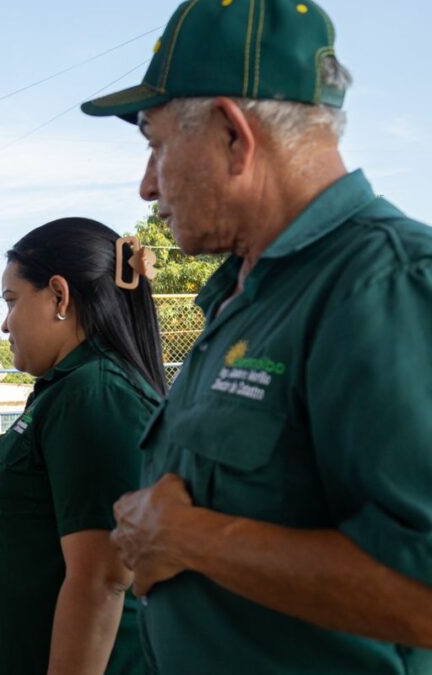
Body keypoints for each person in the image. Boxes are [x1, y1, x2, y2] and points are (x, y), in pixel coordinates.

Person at [81, 1, 432, 672]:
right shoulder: (250, 293)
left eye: (154, 145)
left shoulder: (386, 284)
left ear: (234, 136)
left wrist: (191, 538)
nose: (147, 184)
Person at [0, 219, 163, 675]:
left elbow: (103, 580)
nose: (4, 323)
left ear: (59, 296)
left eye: (12, 301)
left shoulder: (96, 394)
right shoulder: (66, 389)